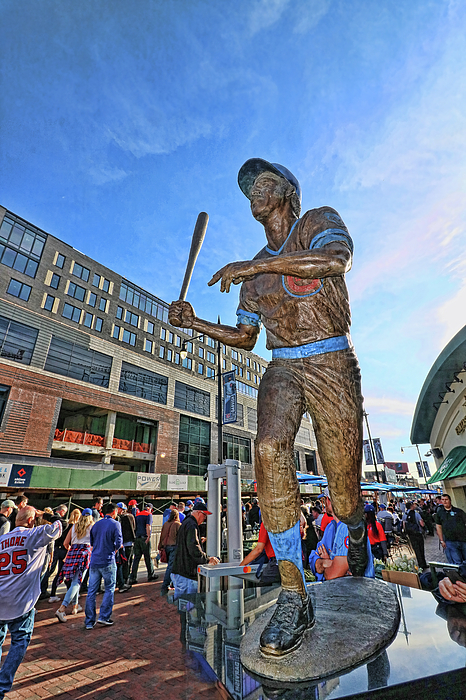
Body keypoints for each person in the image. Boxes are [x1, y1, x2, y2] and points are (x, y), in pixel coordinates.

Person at [170, 158, 368, 656]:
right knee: (270, 448)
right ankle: (294, 592)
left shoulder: (316, 221)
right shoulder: (251, 277)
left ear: (288, 191)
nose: (254, 193)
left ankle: (358, 531)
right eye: (248, 190)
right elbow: (244, 337)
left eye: (263, 183)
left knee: (343, 490)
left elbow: (334, 262)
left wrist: (255, 265)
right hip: (282, 366)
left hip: (332, 357)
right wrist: (195, 325)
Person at [0, 506, 62, 698]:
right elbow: (61, 524)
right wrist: (45, 515)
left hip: (1, 598)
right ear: (30, 520)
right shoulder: (34, 533)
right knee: (19, 641)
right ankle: (1, 686)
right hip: (22, 601)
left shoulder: (1, 539)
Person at [309, 490, 374, 582]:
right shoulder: (330, 527)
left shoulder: (347, 527)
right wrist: (328, 563)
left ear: (330, 501)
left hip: (356, 594)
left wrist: (324, 565)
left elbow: (332, 576)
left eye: (325, 499)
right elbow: (312, 558)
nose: (325, 503)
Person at [84, 502, 123, 629]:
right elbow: (118, 542)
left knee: (91, 591)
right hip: (107, 560)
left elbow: (92, 542)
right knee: (109, 588)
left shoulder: (96, 524)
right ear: (114, 512)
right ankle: (104, 616)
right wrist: (115, 549)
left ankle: (89, 621)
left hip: (95, 560)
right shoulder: (115, 524)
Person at [171, 502, 219, 597]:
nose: (205, 518)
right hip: (186, 573)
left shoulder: (186, 522)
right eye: (204, 515)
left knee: (183, 604)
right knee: (189, 605)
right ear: (199, 513)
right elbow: (193, 548)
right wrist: (207, 559)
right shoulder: (192, 525)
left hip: (180, 571)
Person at [55, 509, 94, 622]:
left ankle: (75, 606)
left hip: (73, 552)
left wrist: (71, 550)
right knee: (77, 581)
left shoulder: (74, 526)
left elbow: (65, 543)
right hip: (85, 553)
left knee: (74, 581)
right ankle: (62, 608)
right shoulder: (92, 527)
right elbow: (94, 542)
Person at [129, 502, 158, 584]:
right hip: (144, 537)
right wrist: (148, 536)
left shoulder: (138, 514)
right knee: (147, 557)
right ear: (150, 508)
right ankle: (151, 574)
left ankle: (133, 577)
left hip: (137, 538)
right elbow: (148, 525)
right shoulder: (149, 515)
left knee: (136, 558)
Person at [434, 494, 466, 565]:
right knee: (457, 563)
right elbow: (438, 527)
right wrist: (442, 540)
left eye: (446, 499)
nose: (444, 501)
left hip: (463, 540)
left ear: (450, 500)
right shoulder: (440, 513)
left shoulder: (459, 511)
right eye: (443, 500)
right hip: (450, 541)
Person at [159, 509, 181, 595]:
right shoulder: (178, 524)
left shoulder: (165, 524)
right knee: (171, 567)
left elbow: (162, 535)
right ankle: (165, 586)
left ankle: (171, 583)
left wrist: (160, 546)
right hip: (174, 547)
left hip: (166, 547)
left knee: (171, 566)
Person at [116, 502, 135, 592]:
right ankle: (124, 579)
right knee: (126, 562)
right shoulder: (129, 516)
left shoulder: (121, 518)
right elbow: (133, 528)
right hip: (127, 542)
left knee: (123, 562)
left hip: (124, 542)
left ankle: (122, 580)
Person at [403, 501, 427, 570]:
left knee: (416, 549)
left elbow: (404, 525)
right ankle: (423, 563)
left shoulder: (405, 514)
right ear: (411, 506)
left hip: (411, 534)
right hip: (418, 533)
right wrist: (424, 528)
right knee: (421, 548)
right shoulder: (416, 514)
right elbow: (421, 523)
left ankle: (420, 563)